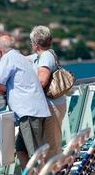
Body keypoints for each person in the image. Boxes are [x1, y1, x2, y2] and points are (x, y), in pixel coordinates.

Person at [0, 34, 51, 169]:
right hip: (34, 110)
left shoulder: (7, 58)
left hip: (28, 113)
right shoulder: (20, 57)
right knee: (20, 149)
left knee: (35, 154)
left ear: (0, 51)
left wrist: (0, 89)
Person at [28, 25, 67, 160]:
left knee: (51, 148)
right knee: (53, 144)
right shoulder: (48, 54)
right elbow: (28, 58)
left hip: (52, 107)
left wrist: (25, 92)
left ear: (35, 44)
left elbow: (42, 81)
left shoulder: (45, 57)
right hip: (56, 104)